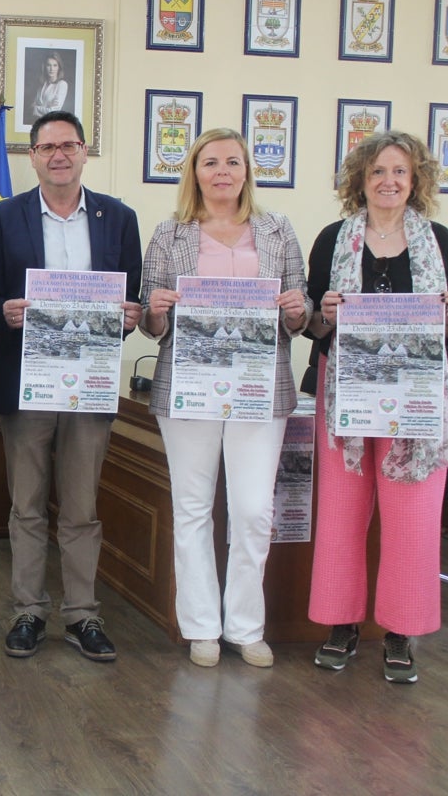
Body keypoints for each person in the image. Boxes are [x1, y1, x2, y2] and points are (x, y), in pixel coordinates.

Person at [140, 127, 310, 668]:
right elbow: (148, 319)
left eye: (232, 162)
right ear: (194, 172)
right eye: (210, 162)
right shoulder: (170, 234)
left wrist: (294, 309)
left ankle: (245, 625)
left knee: (254, 510)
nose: (222, 172)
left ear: (246, 172)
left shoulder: (278, 231)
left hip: (260, 388)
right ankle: (200, 627)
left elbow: (301, 311)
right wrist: (159, 310)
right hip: (188, 388)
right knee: (192, 508)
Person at [0, 110, 143, 662]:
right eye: (46, 146)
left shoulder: (118, 217)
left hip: (90, 384)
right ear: (32, 156)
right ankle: (28, 610)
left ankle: (81, 616)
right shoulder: (3, 219)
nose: (58, 155)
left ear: (83, 151)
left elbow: (134, 296)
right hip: (25, 382)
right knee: (26, 504)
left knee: (81, 507)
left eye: (68, 145)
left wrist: (129, 315)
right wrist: (5, 310)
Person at [305, 130, 448, 684]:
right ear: (359, 181)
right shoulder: (332, 240)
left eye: (400, 173)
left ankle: (400, 632)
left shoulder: (439, 241)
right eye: (377, 172)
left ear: (416, 182)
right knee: (341, 511)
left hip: (417, 402)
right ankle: (341, 626)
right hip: (346, 394)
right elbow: (312, 326)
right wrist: (328, 313)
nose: (389, 182)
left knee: (412, 517)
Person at [30, 53, 69, 122]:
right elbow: (33, 103)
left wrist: (35, 108)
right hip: (37, 122)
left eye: (55, 65)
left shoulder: (62, 84)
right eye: (48, 65)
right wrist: (47, 106)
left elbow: (53, 111)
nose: (51, 69)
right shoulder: (42, 85)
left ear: (59, 67)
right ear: (44, 67)